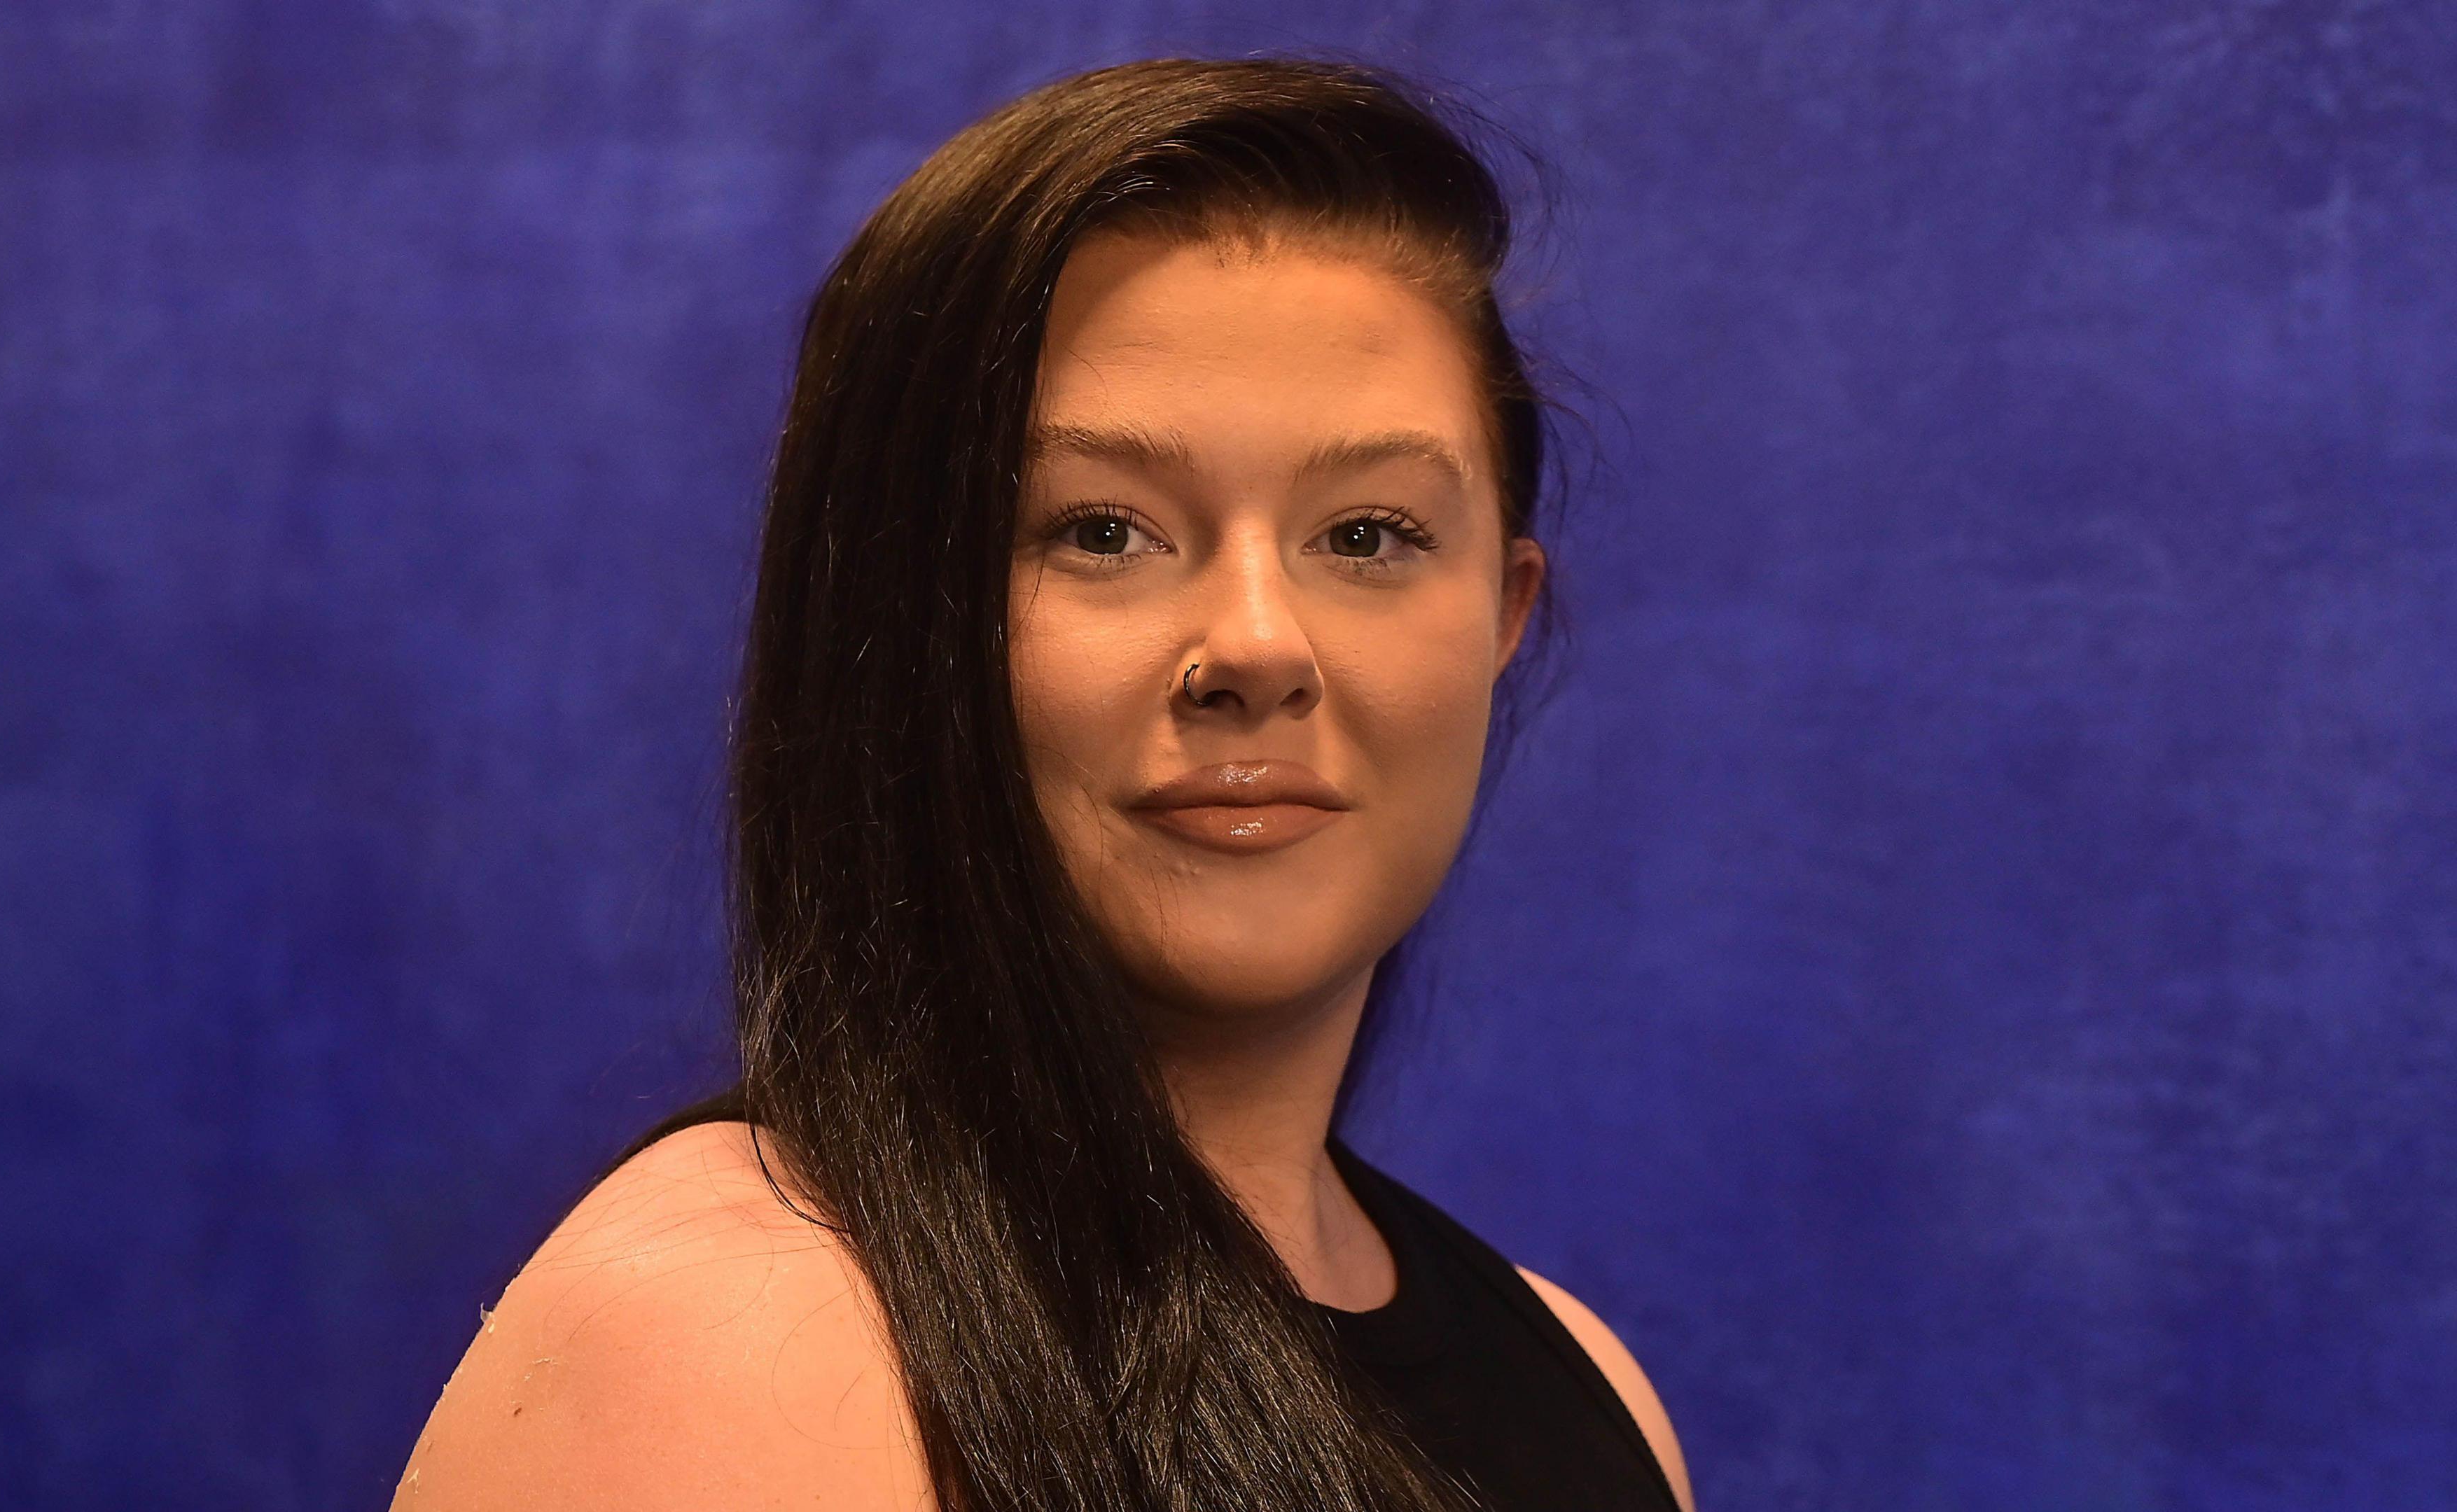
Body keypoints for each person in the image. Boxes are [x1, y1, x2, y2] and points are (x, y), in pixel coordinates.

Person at [396, 55, 1694, 1512]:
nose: (1257, 647)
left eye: (1372, 534)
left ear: (1506, 613)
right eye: (1104, 533)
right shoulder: (739, 1338)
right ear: (903, 617)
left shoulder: (1594, 1394)